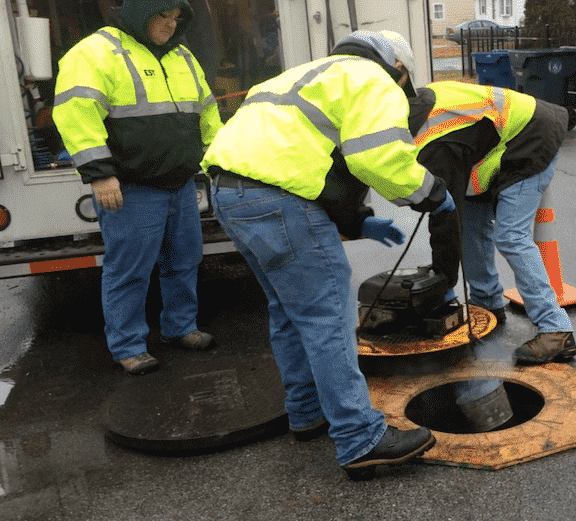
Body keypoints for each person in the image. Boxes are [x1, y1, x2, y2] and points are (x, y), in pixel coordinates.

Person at [200, 30, 457, 478]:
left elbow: (300, 159)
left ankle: (305, 410)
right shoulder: (373, 80)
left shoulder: (299, 76)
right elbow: (376, 157)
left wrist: (356, 221)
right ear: (398, 68)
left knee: (287, 310)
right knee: (327, 320)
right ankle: (360, 438)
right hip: (280, 201)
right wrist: (431, 193)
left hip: (230, 195)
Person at [53, 0, 223, 375]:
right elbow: (74, 112)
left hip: (179, 181)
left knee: (184, 260)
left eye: (176, 19)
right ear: (141, 12)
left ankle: (180, 327)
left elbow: (206, 110)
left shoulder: (182, 56)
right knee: (129, 270)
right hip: (131, 186)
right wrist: (100, 173)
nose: (171, 25)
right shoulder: (97, 52)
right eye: (163, 17)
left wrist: (219, 161)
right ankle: (128, 345)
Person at [406, 80, 576, 364]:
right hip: (489, 148)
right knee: (471, 227)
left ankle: (556, 330)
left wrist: (442, 281)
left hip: (531, 135)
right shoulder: (414, 114)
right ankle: (487, 302)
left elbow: (445, 218)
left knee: (511, 235)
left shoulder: (432, 140)